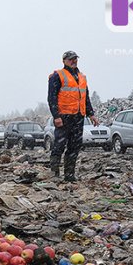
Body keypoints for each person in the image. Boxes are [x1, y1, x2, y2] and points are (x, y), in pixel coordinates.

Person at [47, 51, 99, 182]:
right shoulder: (57, 75)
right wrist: (56, 116)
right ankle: (54, 174)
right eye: (70, 59)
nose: (73, 61)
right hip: (64, 117)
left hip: (78, 116)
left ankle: (69, 175)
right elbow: (51, 98)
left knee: (74, 146)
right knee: (59, 144)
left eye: (75, 59)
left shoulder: (82, 77)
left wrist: (91, 114)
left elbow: (85, 97)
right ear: (64, 61)